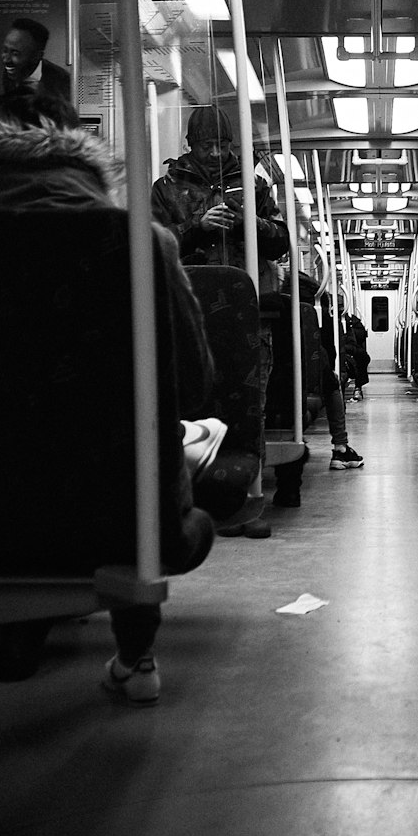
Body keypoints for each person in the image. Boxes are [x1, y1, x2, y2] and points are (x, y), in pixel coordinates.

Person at [0, 92, 216, 704]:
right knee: (181, 437)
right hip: (114, 514)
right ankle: (135, 656)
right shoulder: (141, 241)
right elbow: (194, 373)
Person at [151, 104, 290, 536]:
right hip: (185, 306)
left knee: (250, 404)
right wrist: (198, 225)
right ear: (190, 145)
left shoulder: (253, 185)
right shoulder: (165, 188)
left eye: (222, 145)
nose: (215, 153)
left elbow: (280, 240)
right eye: (206, 145)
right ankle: (185, 496)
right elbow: (153, 242)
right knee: (188, 400)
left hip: (247, 309)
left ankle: (247, 499)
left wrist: (253, 223)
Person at [271, 269, 364, 507]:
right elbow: (328, 355)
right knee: (331, 382)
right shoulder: (311, 314)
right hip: (292, 391)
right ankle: (340, 446)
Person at [0, 17, 72, 102]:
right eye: (5, 50)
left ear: (37, 56)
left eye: (15, 53)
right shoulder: (12, 73)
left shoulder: (63, 84)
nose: (6, 60)